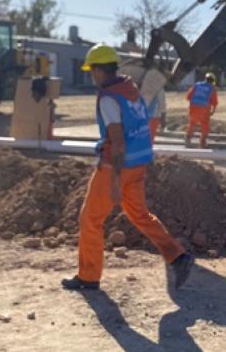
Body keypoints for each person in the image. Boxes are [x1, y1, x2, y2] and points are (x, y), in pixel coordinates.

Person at [62, 44, 194, 292]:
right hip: (139, 162)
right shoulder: (130, 88)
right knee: (139, 215)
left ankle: (88, 277)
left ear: (100, 71)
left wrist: (113, 183)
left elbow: (118, 140)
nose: (92, 76)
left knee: (90, 220)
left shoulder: (108, 98)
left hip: (116, 166)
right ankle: (177, 256)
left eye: (92, 71)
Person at [185, 73, 219, 148]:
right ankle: (202, 144)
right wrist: (213, 111)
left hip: (193, 108)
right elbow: (214, 102)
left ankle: (187, 140)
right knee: (205, 125)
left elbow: (188, 97)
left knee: (192, 123)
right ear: (213, 81)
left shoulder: (197, 85)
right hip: (204, 109)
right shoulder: (212, 88)